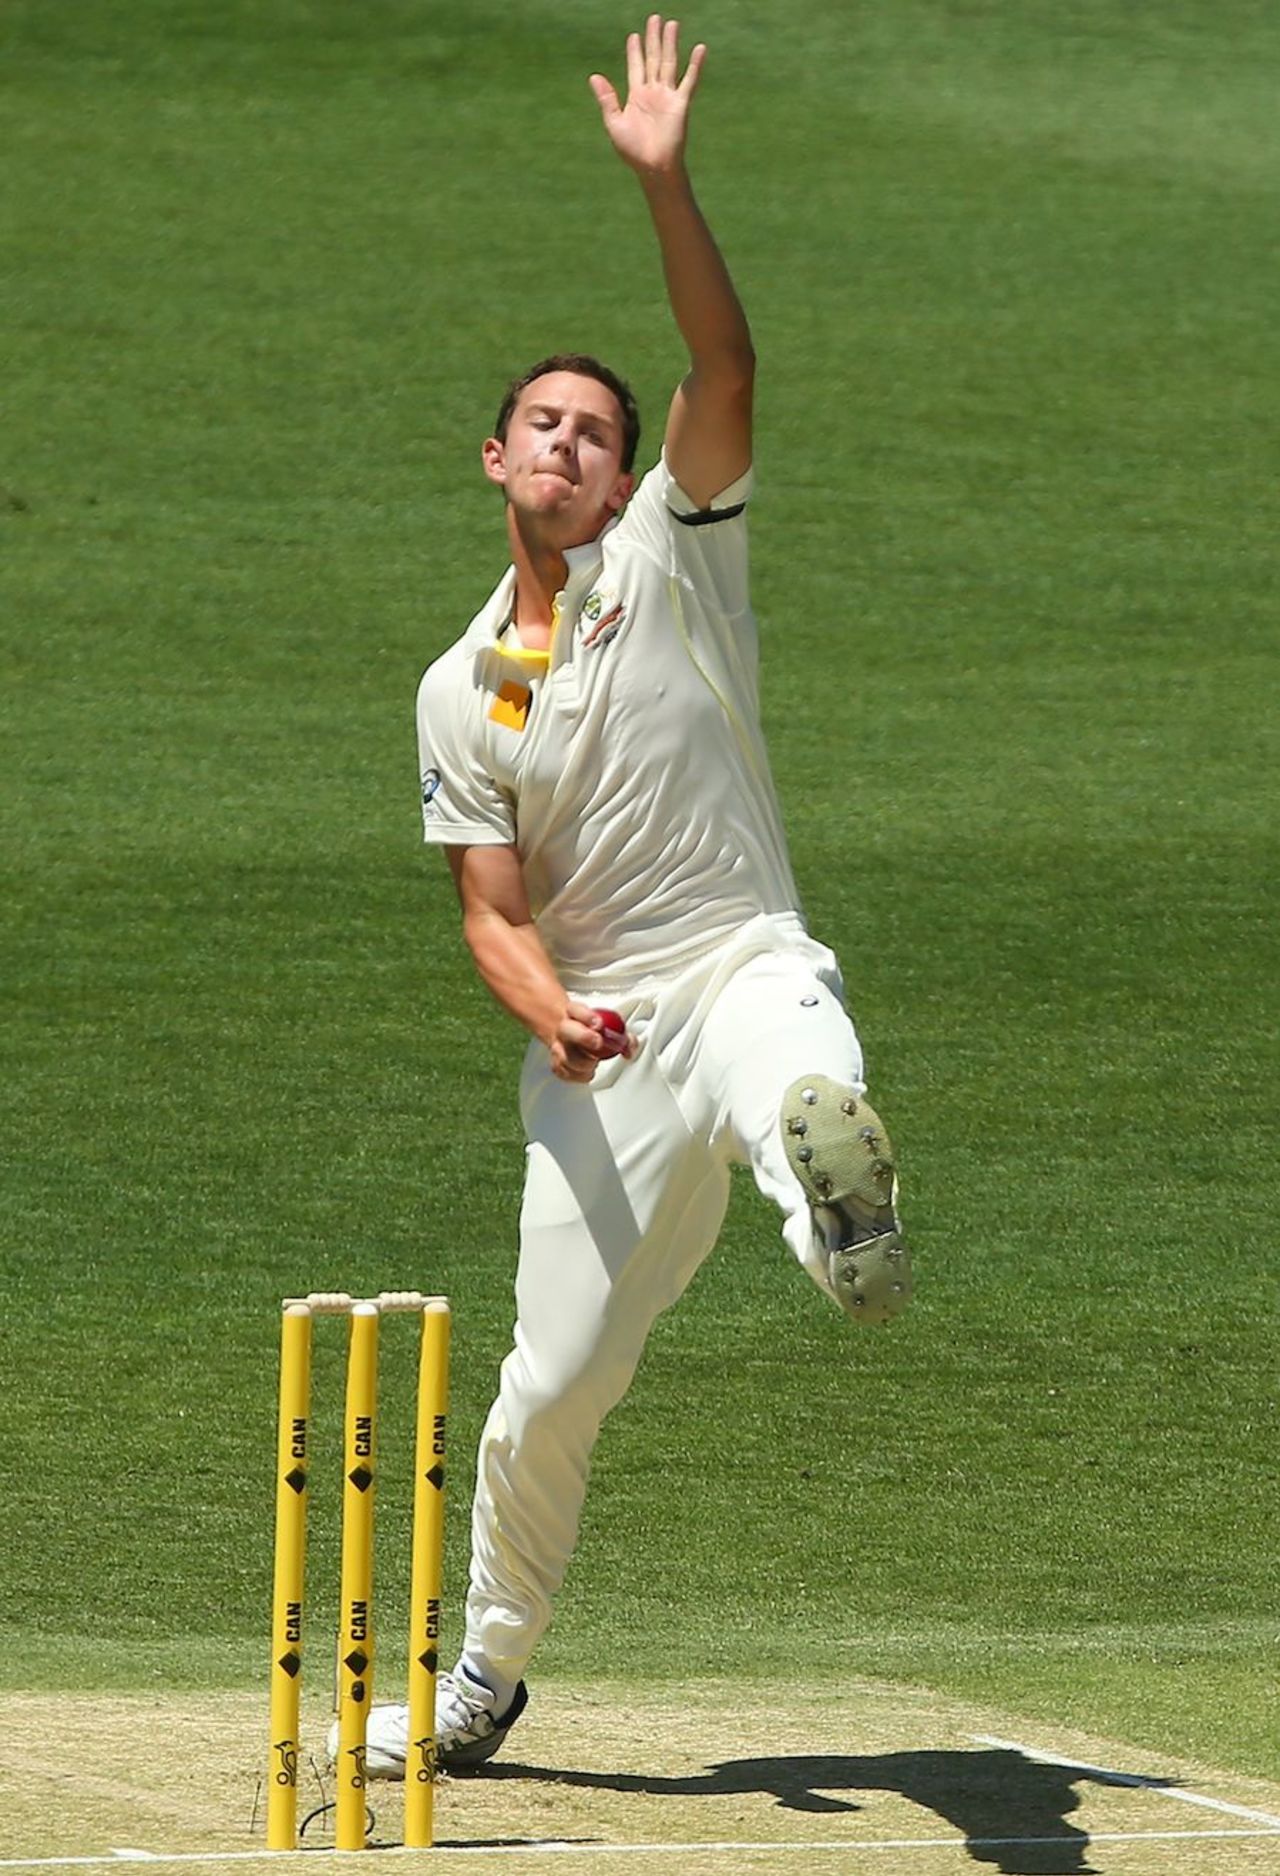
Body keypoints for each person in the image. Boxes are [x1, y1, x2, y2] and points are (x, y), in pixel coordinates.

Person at [352, 12, 911, 1779]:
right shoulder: (458, 688)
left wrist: (665, 183)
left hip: (740, 958)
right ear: (499, 462)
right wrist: (551, 1012)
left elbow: (725, 359)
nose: (584, 447)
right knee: (548, 1394)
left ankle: (842, 1221)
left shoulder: (677, 550)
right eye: (550, 426)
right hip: (603, 1048)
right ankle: (485, 1675)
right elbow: (491, 910)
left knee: (800, 1075)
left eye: (602, 429)